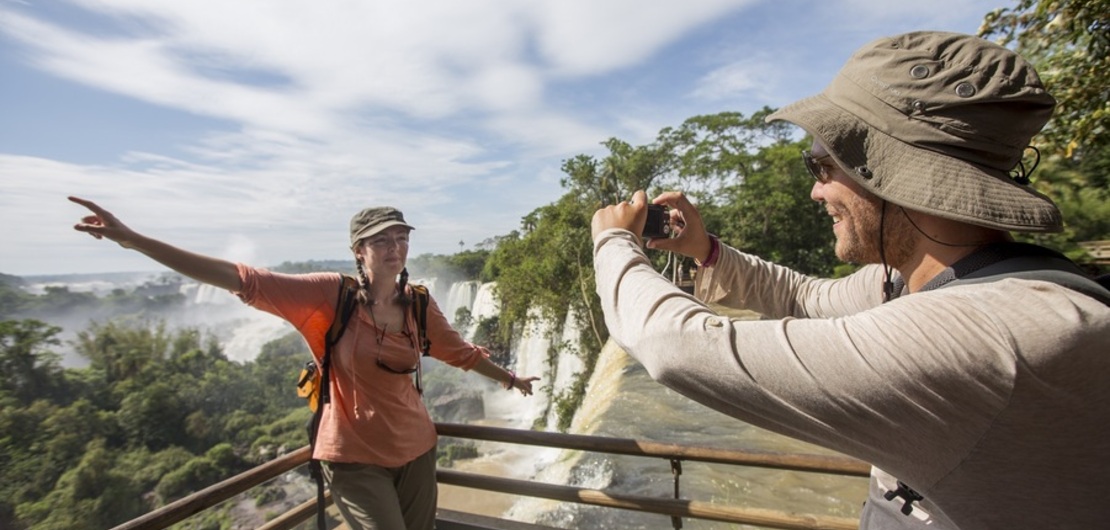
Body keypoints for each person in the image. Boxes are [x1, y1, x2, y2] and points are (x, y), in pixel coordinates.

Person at [591, 31, 1109, 529]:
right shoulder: (943, 281)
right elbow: (805, 298)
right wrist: (706, 252)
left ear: (894, 171)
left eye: (821, 165)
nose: (816, 193)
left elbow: (676, 347)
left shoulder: (979, 336)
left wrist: (614, 242)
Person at [70, 197, 539, 530]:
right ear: (360, 250)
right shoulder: (329, 294)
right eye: (382, 240)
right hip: (354, 459)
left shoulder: (418, 302)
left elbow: (459, 352)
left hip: (417, 451)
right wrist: (134, 241)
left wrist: (511, 378)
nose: (395, 248)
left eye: (402, 237)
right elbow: (242, 278)